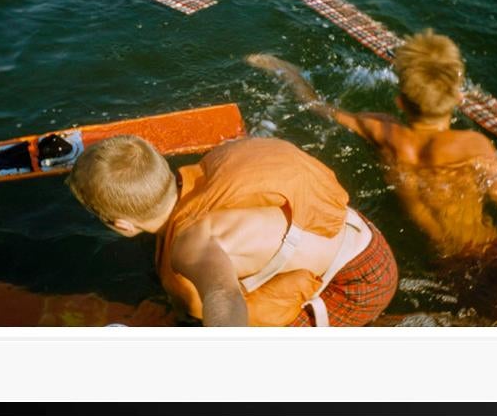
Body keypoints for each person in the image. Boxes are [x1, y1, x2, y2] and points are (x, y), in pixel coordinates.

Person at [247, 32, 497, 324]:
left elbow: (315, 104)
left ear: (400, 100)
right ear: (457, 98)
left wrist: (284, 69)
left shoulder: (381, 130)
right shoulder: (472, 146)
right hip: (496, 252)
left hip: (447, 265)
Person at [66, 134, 398, 327]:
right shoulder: (218, 159)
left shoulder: (191, 246)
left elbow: (223, 295)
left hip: (358, 284)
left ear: (121, 224)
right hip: (360, 233)